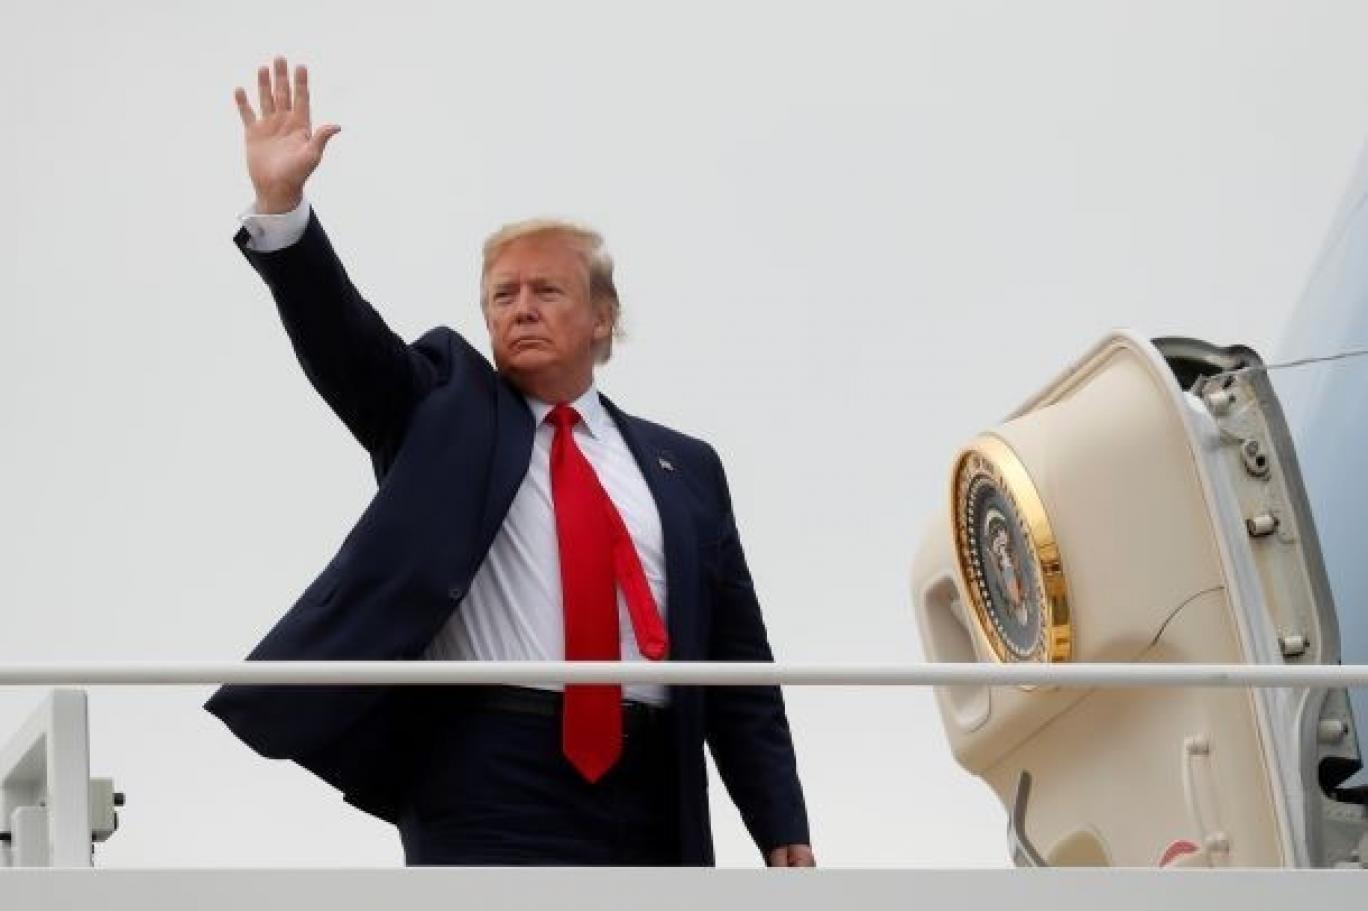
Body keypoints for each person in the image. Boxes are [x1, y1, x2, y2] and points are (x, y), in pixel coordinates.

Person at [204, 56, 814, 867]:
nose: (521, 308)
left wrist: (781, 823)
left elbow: (739, 666)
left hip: (654, 778)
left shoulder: (688, 467)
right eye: (503, 294)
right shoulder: (440, 406)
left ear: (602, 317)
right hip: (488, 770)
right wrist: (283, 209)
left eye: (546, 291)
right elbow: (343, 339)